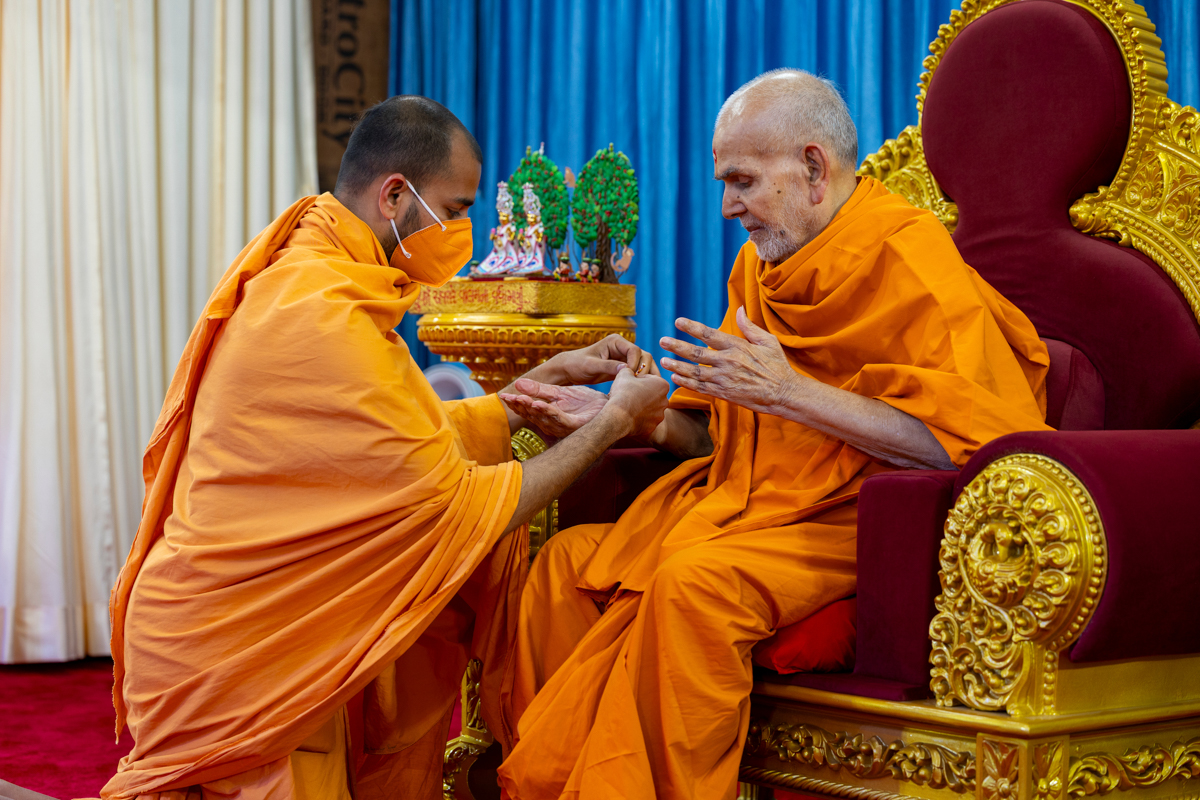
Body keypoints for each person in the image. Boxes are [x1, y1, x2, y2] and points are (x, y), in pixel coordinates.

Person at [496, 69, 1052, 800]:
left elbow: (973, 448)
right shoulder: (762, 268)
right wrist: (634, 419)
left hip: (854, 519)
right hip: (745, 506)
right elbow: (723, 443)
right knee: (563, 568)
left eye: (743, 182)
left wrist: (791, 393)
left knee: (694, 586)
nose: (728, 207)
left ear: (814, 168)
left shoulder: (908, 259)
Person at [101, 96, 668, 800]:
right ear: (395, 195)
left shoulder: (317, 275)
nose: (462, 234)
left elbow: (380, 444)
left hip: (259, 635)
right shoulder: (321, 308)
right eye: (454, 210)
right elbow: (453, 505)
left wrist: (529, 388)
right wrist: (613, 423)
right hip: (234, 648)